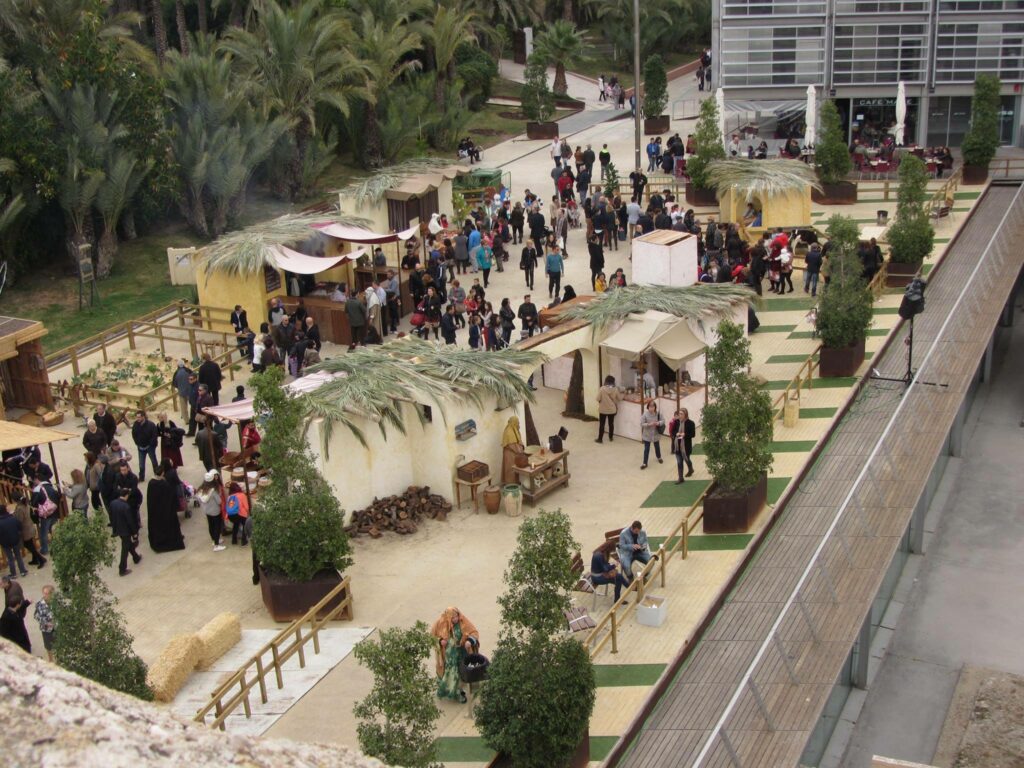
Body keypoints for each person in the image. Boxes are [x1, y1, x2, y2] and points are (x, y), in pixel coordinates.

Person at [430, 607, 480, 703]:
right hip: (449, 657)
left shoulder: (463, 621)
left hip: (463, 653)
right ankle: (457, 693)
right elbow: (431, 638)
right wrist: (440, 641)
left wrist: (470, 641)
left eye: (456, 616)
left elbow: (474, 632)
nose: (455, 619)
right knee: (453, 675)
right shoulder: (440, 623)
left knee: (467, 671)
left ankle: (470, 689)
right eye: (453, 618)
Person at [146, 465, 184, 553]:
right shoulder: (164, 484)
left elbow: (150, 500)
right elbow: (171, 497)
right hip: (167, 511)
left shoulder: (151, 484)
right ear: (162, 473)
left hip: (156, 512)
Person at [110, 487, 142, 577]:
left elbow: (111, 516)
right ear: (126, 495)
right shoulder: (126, 507)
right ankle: (122, 569)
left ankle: (136, 557)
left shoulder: (113, 503)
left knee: (128, 545)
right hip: (126, 531)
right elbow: (130, 521)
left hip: (118, 529)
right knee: (125, 549)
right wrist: (134, 533)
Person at [31, 476, 60, 557]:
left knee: (44, 532)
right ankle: (56, 546)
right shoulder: (51, 486)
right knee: (53, 530)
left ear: (37, 479)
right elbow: (58, 496)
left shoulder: (38, 489)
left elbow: (34, 502)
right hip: (54, 511)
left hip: (45, 514)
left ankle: (45, 549)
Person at [12, 492, 43, 569]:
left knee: (28, 545)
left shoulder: (19, 508)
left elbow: (19, 520)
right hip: (30, 527)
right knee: (30, 544)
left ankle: (41, 559)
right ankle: (35, 559)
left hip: (25, 529)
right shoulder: (25, 504)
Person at [198, 471, 225, 552]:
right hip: (215, 512)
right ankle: (216, 545)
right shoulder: (213, 491)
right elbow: (219, 501)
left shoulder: (201, 489)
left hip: (207, 511)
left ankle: (214, 540)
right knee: (217, 527)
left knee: (211, 526)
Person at [131, 410, 159, 482]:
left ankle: (157, 474)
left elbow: (154, 435)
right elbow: (134, 435)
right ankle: (141, 477)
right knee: (141, 463)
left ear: (143, 417)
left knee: (153, 460)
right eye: (137, 417)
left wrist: (150, 444)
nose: (138, 419)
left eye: (139, 417)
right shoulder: (135, 424)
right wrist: (137, 443)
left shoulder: (151, 425)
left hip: (150, 447)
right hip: (140, 447)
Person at [669, 408, 695, 483]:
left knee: (687, 460)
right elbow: (672, 431)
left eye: (681, 414)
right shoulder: (676, 422)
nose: (679, 415)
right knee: (679, 462)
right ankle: (680, 478)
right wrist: (675, 433)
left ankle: (691, 469)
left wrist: (685, 434)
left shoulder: (690, 423)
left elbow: (693, 434)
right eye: (679, 414)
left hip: (686, 447)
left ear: (685, 414)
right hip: (677, 446)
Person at [0, 504, 26, 579]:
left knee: (10, 559)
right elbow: (20, 527)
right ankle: (23, 571)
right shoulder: (13, 518)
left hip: (5, 543)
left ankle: (13, 573)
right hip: (15, 540)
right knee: (18, 556)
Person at [1, 589, 30, 653]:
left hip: (21, 637)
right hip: (17, 641)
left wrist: (27, 602)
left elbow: (20, 607)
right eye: (20, 603)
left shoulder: (13, 609)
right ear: (17, 605)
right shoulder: (6, 617)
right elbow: (3, 632)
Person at [596, 375, 621, 443]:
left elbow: (598, 398)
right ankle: (611, 437)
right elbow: (619, 398)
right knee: (611, 424)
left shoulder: (602, 389)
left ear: (606, 381)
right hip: (612, 410)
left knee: (602, 424)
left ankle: (600, 439)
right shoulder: (615, 389)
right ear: (613, 382)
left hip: (603, 410)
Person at [640, 401, 664, 469]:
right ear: (648, 407)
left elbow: (663, 421)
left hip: (656, 434)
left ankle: (659, 457)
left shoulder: (658, 414)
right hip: (647, 435)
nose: (651, 408)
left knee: (657, 447)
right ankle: (645, 463)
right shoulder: (645, 414)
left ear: (655, 407)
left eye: (653, 406)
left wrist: (658, 423)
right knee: (646, 449)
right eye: (650, 406)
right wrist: (648, 424)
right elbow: (641, 424)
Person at [500, 416, 524, 485]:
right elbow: (513, 445)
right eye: (517, 422)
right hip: (510, 454)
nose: (518, 424)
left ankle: (515, 483)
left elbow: (517, 440)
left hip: (512, 453)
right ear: (514, 422)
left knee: (513, 469)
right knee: (510, 470)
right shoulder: (509, 432)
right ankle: (511, 485)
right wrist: (521, 451)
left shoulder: (513, 428)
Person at [34, 584, 56, 661]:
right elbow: (36, 616)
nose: (45, 595)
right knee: (48, 645)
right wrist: (46, 622)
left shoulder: (56, 601)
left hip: (56, 627)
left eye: (47, 593)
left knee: (57, 641)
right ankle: (51, 659)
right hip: (46, 629)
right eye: (44, 593)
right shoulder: (39, 604)